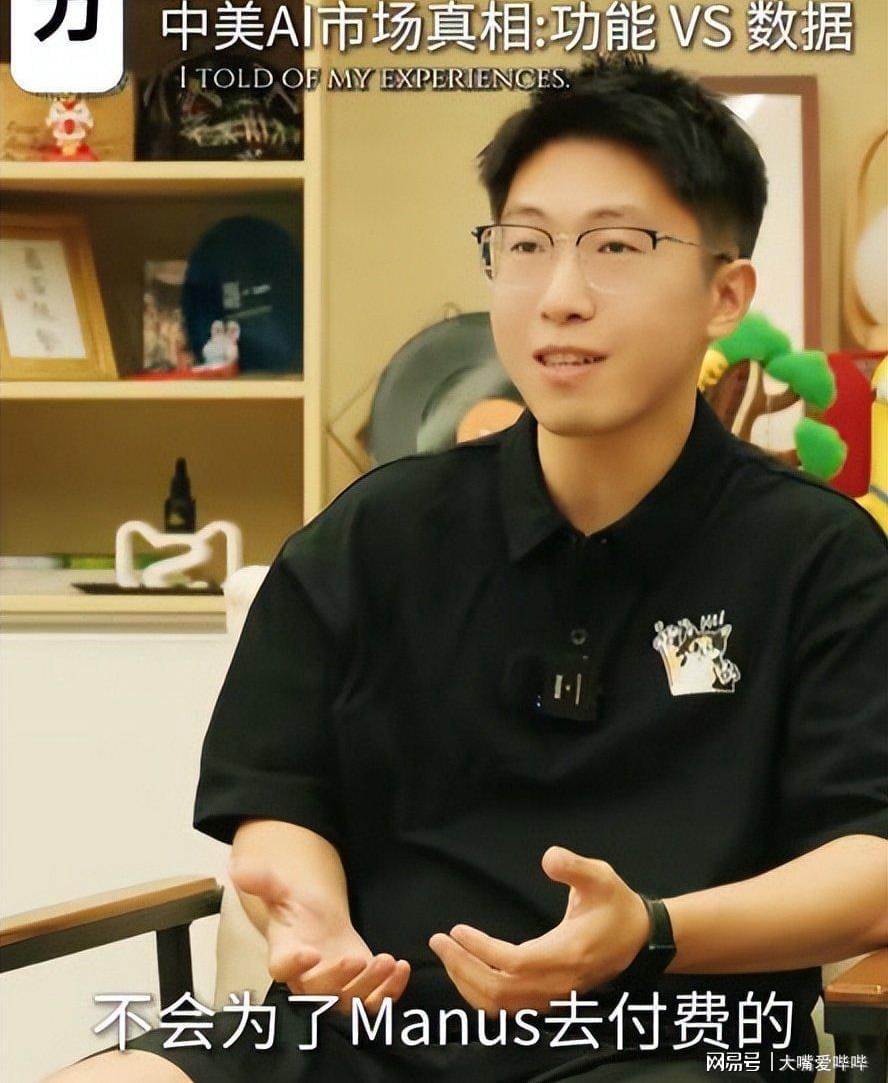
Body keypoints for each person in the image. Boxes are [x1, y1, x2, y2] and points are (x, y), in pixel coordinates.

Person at [50, 59, 888, 1082]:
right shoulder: (374, 534)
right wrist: (311, 910)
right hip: (361, 1035)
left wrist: (649, 931)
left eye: (616, 247)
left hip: (661, 1044)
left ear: (727, 294)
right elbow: (279, 797)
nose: (560, 297)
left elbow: (873, 863)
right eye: (525, 245)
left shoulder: (821, 558)